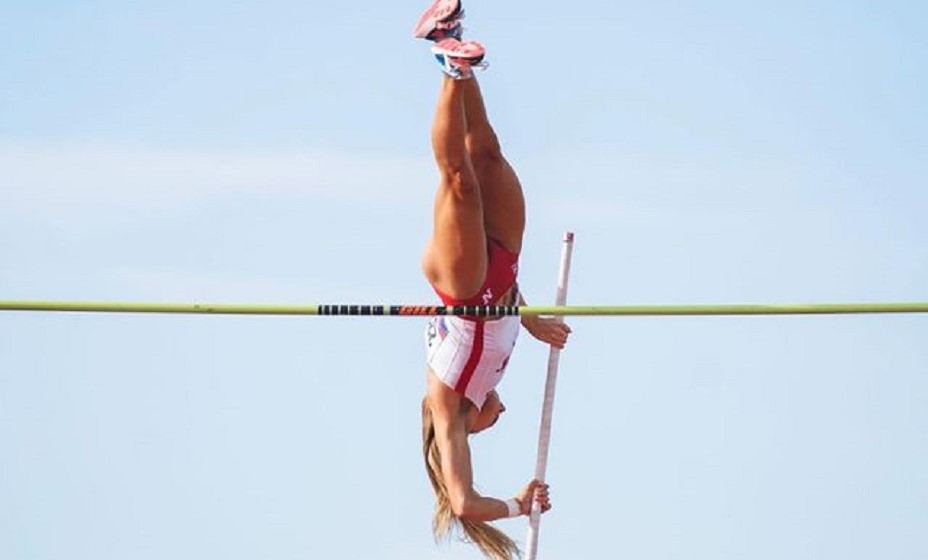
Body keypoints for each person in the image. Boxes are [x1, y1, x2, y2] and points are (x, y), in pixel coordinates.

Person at [414, 1, 572, 558]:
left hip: (461, 288)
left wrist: (518, 505)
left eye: (493, 421)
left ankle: (452, 70)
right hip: (502, 271)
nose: (499, 412)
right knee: (488, 152)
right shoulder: (481, 386)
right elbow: (507, 312)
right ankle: (452, 41)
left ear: (472, 430)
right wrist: (528, 320)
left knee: (459, 178)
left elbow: (462, 503)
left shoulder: (449, 409)